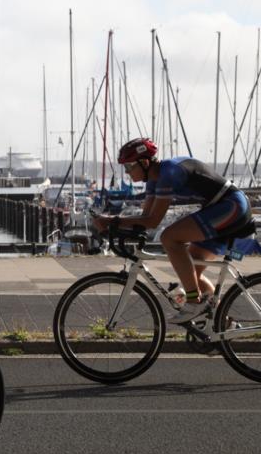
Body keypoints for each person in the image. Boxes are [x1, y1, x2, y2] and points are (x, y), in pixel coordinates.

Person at [92, 137, 252, 324]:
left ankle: (194, 301)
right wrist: (115, 226)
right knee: (191, 271)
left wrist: (113, 221)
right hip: (220, 208)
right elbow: (144, 220)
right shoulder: (154, 178)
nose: (127, 172)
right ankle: (221, 322)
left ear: (144, 163)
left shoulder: (168, 173)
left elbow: (153, 221)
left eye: (128, 167)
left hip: (231, 207)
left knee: (169, 238)